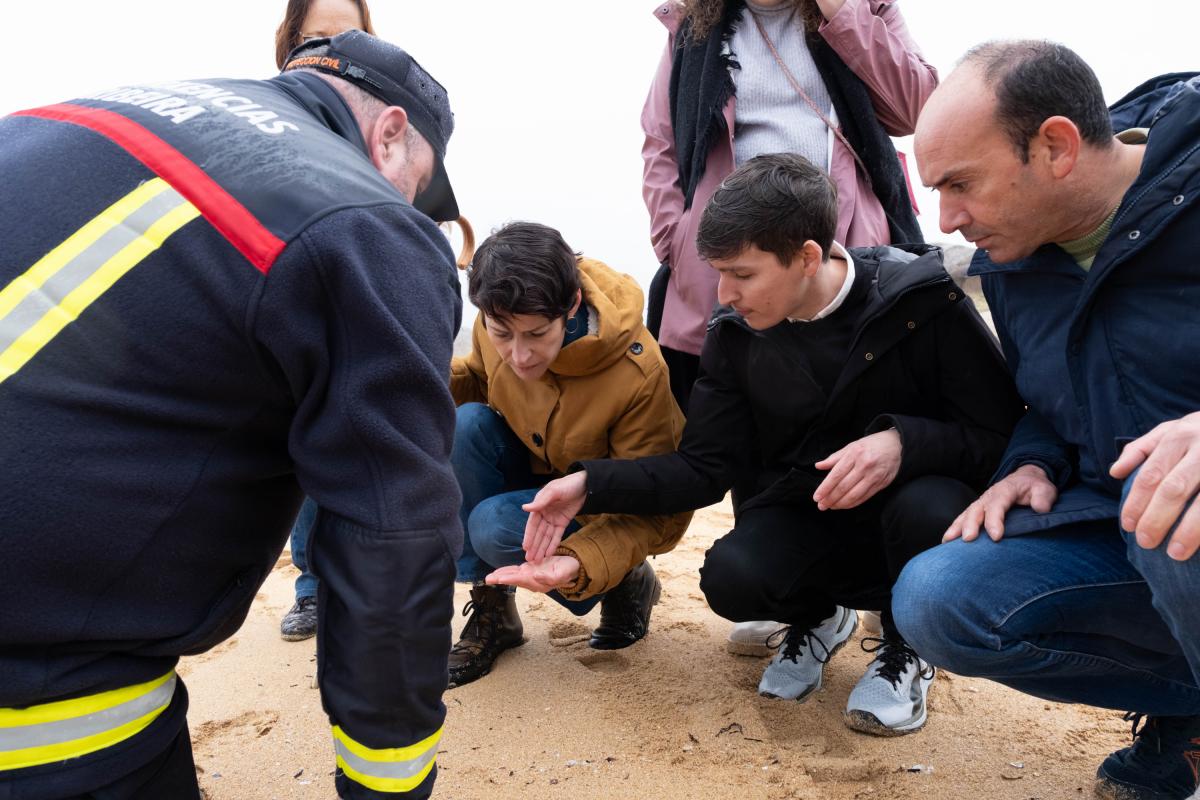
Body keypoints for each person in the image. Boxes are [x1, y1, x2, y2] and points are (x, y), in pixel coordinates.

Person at [0, 31, 462, 800]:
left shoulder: (67, 117)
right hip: (46, 710)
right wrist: (391, 783)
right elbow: (392, 534)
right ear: (389, 135)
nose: (415, 205)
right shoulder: (363, 220)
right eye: (422, 182)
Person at [523, 153, 1023, 735]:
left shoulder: (922, 303)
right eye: (718, 272)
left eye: (742, 273)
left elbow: (1001, 436)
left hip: (915, 517)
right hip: (811, 511)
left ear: (807, 257)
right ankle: (819, 620)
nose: (724, 293)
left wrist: (903, 443)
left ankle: (906, 643)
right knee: (732, 577)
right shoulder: (735, 335)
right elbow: (705, 468)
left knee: (928, 505)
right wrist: (590, 483)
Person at [893, 42, 1200, 800]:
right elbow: (1051, 403)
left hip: (1178, 528)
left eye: (960, 184)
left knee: (1175, 516)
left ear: (1056, 146)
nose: (948, 219)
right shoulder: (1011, 264)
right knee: (938, 601)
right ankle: (1187, 713)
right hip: (1122, 524)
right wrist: (1029, 464)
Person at [640, 0, 937, 655]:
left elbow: (915, 107)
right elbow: (661, 142)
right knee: (757, 431)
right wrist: (677, 239)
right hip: (731, 265)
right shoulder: (696, 23)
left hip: (842, 249)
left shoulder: (866, 9)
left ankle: (898, 622)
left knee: (873, 423)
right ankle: (805, 600)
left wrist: (841, 11)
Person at [445, 221, 691, 687]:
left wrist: (589, 556)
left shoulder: (638, 370)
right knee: (466, 424)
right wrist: (424, 372)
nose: (518, 356)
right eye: (502, 333)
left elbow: (659, 508)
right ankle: (493, 611)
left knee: (492, 527)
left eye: (536, 334)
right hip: (533, 481)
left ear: (572, 305)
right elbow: (480, 380)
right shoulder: (495, 315)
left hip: (603, 508)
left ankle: (626, 581)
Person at [273, 0, 377, 644]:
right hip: (290, 301)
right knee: (304, 443)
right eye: (316, 38)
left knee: (372, 439)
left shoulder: (392, 121)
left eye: (350, 37)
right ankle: (311, 585)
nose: (334, 50)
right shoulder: (264, 116)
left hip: (363, 297)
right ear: (288, 45)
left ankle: (373, 581)